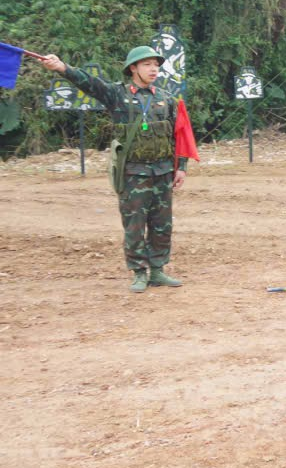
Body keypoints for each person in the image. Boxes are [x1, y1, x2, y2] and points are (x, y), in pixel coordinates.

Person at [39, 46, 192, 292]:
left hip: (162, 171)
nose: (153, 69)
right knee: (134, 224)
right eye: (147, 64)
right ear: (133, 68)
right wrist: (62, 68)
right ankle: (139, 272)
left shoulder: (165, 98)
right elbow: (90, 83)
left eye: (156, 65)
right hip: (133, 173)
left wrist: (181, 167)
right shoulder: (117, 95)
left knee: (162, 225)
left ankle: (158, 270)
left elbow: (179, 134)